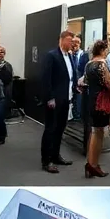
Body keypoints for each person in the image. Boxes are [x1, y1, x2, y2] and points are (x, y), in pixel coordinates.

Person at [40, 31, 77, 174]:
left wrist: (75, 87)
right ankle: (46, 160)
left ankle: (55, 156)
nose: (72, 43)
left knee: (60, 128)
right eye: (69, 40)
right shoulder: (52, 56)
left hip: (66, 99)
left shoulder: (70, 56)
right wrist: (49, 98)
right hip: (54, 100)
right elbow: (46, 79)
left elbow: (70, 76)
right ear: (61, 40)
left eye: (72, 41)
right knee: (50, 129)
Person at [81, 39, 110, 179]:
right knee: (98, 133)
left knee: (94, 132)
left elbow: (85, 81)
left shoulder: (88, 65)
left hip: (92, 101)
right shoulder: (102, 65)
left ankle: (91, 164)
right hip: (101, 102)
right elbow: (108, 84)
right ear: (103, 50)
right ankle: (93, 165)